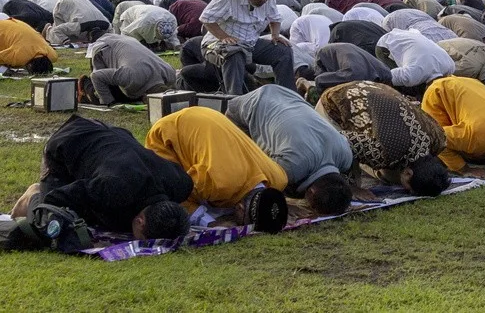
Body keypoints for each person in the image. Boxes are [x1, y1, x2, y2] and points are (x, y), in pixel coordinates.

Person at [10, 116, 191, 240]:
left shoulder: (182, 184)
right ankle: (33, 195)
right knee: (50, 223)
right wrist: (45, 200)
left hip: (114, 135)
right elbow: (55, 198)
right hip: (69, 141)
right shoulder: (112, 189)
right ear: (140, 221)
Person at [144, 106, 290, 234]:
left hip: (209, 115)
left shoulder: (279, 178)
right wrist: (210, 223)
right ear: (239, 208)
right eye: (242, 222)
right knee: (162, 186)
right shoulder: (217, 184)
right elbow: (176, 194)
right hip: (168, 131)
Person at [226, 85, 355, 216]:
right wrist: (283, 203)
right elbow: (257, 182)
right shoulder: (292, 167)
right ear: (311, 192)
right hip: (246, 108)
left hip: (286, 93)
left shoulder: (346, 155)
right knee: (241, 168)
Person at [315, 81, 451, 196]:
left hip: (374, 89)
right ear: (408, 173)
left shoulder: (438, 139)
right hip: (337, 100)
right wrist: (352, 187)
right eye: (409, 190)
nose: (406, 190)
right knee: (346, 185)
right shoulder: (382, 152)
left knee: (389, 174)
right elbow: (340, 141)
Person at [198, 0, 294, 95]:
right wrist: (223, 37)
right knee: (234, 54)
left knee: (283, 51)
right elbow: (206, 19)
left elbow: (275, 18)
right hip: (217, 43)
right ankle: (234, 99)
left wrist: (275, 35)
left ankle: (287, 96)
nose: (264, 0)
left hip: (250, 43)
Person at [79, 33, 177, 106]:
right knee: (100, 95)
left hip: (127, 41)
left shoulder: (170, 73)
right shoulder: (130, 77)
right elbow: (96, 76)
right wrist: (109, 103)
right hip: (103, 48)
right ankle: (85, 84)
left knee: (127, 96)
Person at [375, 29, 455, 95]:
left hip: (408, 37)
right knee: (400, 85)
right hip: (386, 44)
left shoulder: (450, 66)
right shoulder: (411, 75)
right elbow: (387, 77)